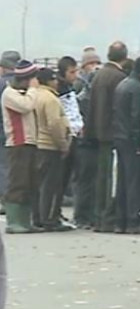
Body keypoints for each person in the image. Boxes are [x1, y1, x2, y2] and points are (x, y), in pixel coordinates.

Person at [87, 41, 129, 232]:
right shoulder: (119, 78)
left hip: (98, 132)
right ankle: (108, 217)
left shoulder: (98, 76)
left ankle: (98, 217)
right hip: (113, 134)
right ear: (124, 57)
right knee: (111, 178)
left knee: (101, 176)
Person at [113, 56, 140, 234]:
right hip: (131, 139)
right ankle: (133, 220)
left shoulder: (122, 84)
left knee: (123, 181)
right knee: (134, 181)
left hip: (119, 136)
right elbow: (137, 116)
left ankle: (120, 220)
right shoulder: (138, 88)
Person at [2, 60, 40, 233]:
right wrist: (33, 89)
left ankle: (25, 220)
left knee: (29, 182)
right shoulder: (9, 94)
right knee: (18, 181)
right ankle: (14, 221)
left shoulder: (25, 93)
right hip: (17, 143)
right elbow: (26, 106)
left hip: (30, 142)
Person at [34, 68, 73, 231]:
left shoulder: (34, 95)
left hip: (38, 144)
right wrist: (63, 144)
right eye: (54, 79)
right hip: (50, 145)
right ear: (49, 81)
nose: (57, 82)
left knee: (40, 184)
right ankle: (50, 218)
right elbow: (54, 124)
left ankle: (38, 217)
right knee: (51, 185)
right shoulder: (50, 99)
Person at [73, 50, 101, 228]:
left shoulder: (91, 85)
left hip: (90, 139)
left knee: (90, 179)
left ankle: (87, 213)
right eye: (92, 63)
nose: (95, 67)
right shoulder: (79, 86)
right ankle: (81, 215)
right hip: (83, 140)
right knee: (84, 179)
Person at [56, 56, 83, 227]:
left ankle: (57, 210)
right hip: (65, 136)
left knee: (65, 177)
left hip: (74, 134)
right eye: (71, 72)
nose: (75, 75)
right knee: (59, 178)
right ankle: (54, 211)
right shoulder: (59, 89)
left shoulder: (70, 87)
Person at [0, 51, 22, 212]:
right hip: (14, 131)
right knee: (8, 167)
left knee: (4, 166)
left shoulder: (3, 83)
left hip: (3, 129)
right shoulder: (18, 84)